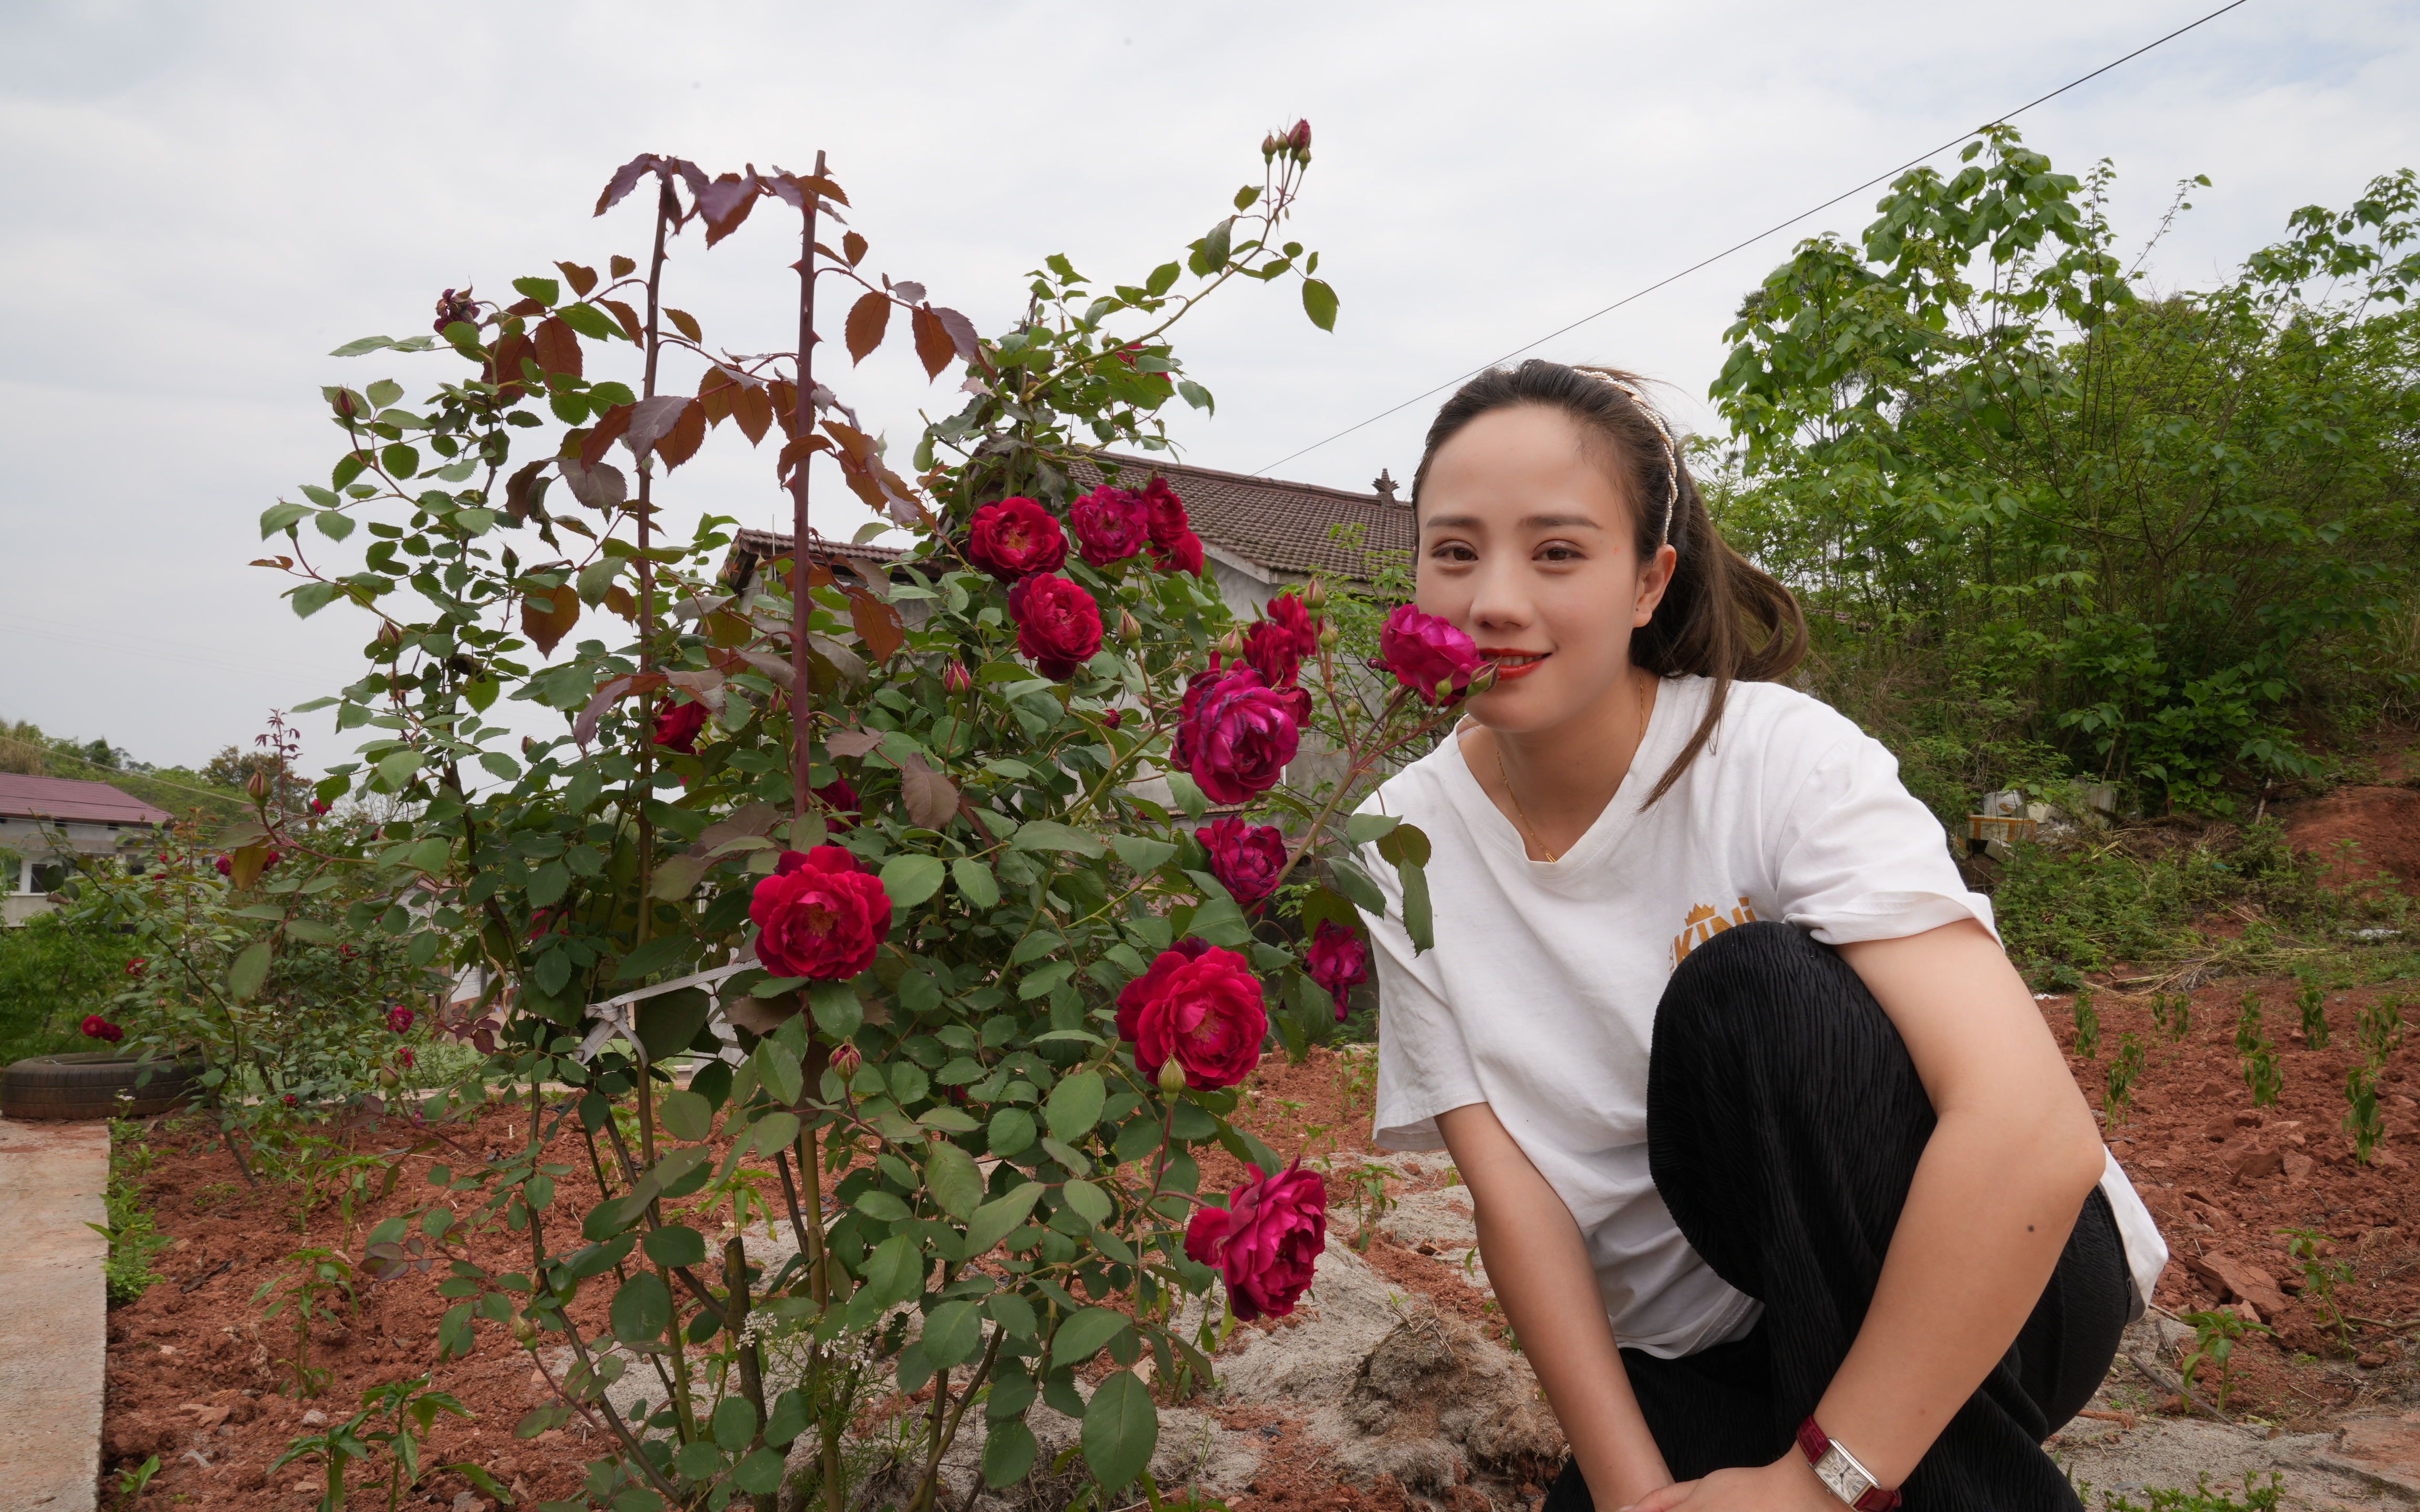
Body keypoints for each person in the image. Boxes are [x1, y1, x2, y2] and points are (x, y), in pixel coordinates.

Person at [1350, 360, 2165, 1511]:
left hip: (2005, 1276)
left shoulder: (1779, 757)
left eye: (1558, 551)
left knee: (1756, 992)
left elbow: (2030, 1132)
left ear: (1650, 582)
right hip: (1711, 1350)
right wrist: (1636, 1495)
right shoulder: (1400, 837)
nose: (1493, 598)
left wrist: (1814, 1485)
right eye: (1455, 550)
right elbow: (1516, 1202)